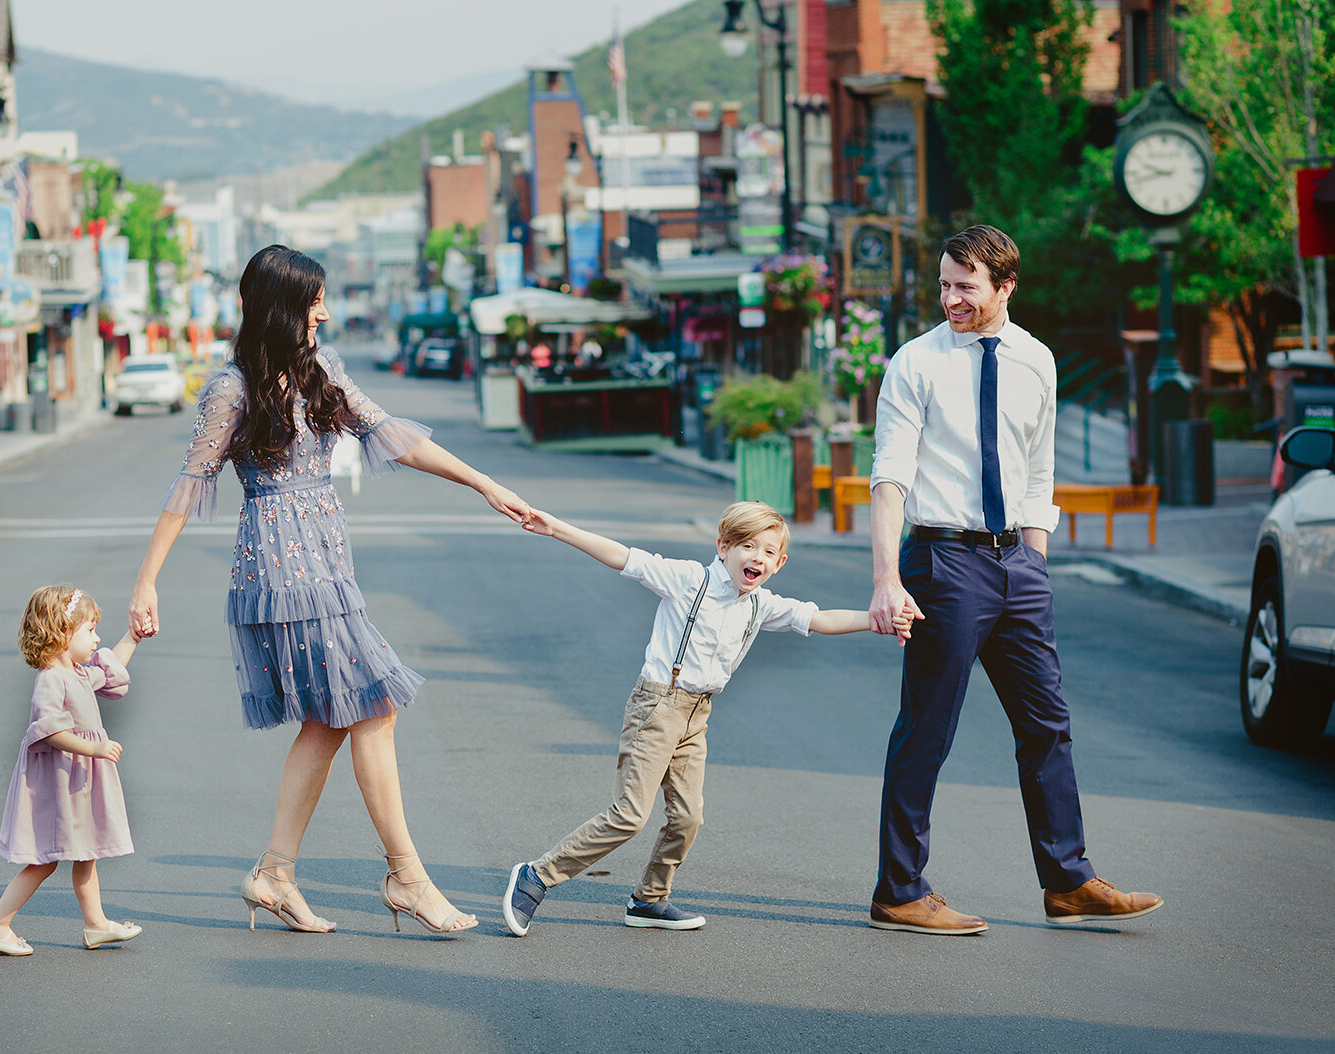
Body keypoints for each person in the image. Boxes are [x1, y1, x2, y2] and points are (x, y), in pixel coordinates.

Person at [128, 245, 529, 937]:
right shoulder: (232, 386)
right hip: (282, 566)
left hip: (328, 560)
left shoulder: (322, 368)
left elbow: (390, 435)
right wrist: (146, 581)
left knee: (333, 716)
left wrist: (485, 483)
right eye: (314, 299)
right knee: (372, 703)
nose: (325, 311)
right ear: (282, 305)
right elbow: (191, 482)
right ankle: (406, 875)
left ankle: (275, 872)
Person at [865, 224, 1163, 934]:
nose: (951, 298)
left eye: (965, 286)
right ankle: (899, 889)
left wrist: (1034, 561)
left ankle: (1069, 881)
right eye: (944, 284)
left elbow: (1038, 470)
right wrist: (885, 578)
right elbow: (890, 476)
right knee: (927, 728)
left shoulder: (1036, 360)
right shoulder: (916, 363)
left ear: (1005, 286)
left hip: (1016, 566)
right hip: (942, 562)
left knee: (1047, 725)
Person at [503, 501, 910, 936]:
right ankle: (536, 875)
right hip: (656, 707)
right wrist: (556, 528)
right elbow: (622, 556)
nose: (758, 557)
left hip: (698, 714)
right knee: (629, 815)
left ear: (780, 562)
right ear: (723, 547)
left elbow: (821, 618)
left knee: (687, 818)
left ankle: (649, 899)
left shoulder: (761, 603)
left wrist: (880, 619)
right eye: (747, 546)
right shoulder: (688, 580)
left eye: (769, 552)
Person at [0, 585, 145, 956]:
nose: (97, 638)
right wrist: (94, 748)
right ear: (62, 633)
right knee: (46, 860)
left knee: (86, 853)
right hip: (61, 783)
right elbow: (50, 730)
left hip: (78, 782)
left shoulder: (78, 673)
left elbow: (110, 667)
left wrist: (132, 637)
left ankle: (96, 925)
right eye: (90, 630)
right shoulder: (52, 678)